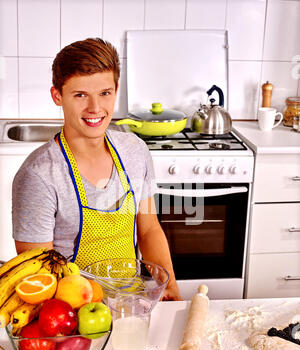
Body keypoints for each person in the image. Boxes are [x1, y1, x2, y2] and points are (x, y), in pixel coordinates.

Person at [12, 37, 182, 301]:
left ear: (116, 90)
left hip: (131, 304)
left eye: (104, 93)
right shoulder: (38, 176)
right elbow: (40, 278)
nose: (95, 108)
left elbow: (148, 229)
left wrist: (167, 282)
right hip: (72, 317)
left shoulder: (135, 151)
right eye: (80, 95)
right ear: (57, 96)